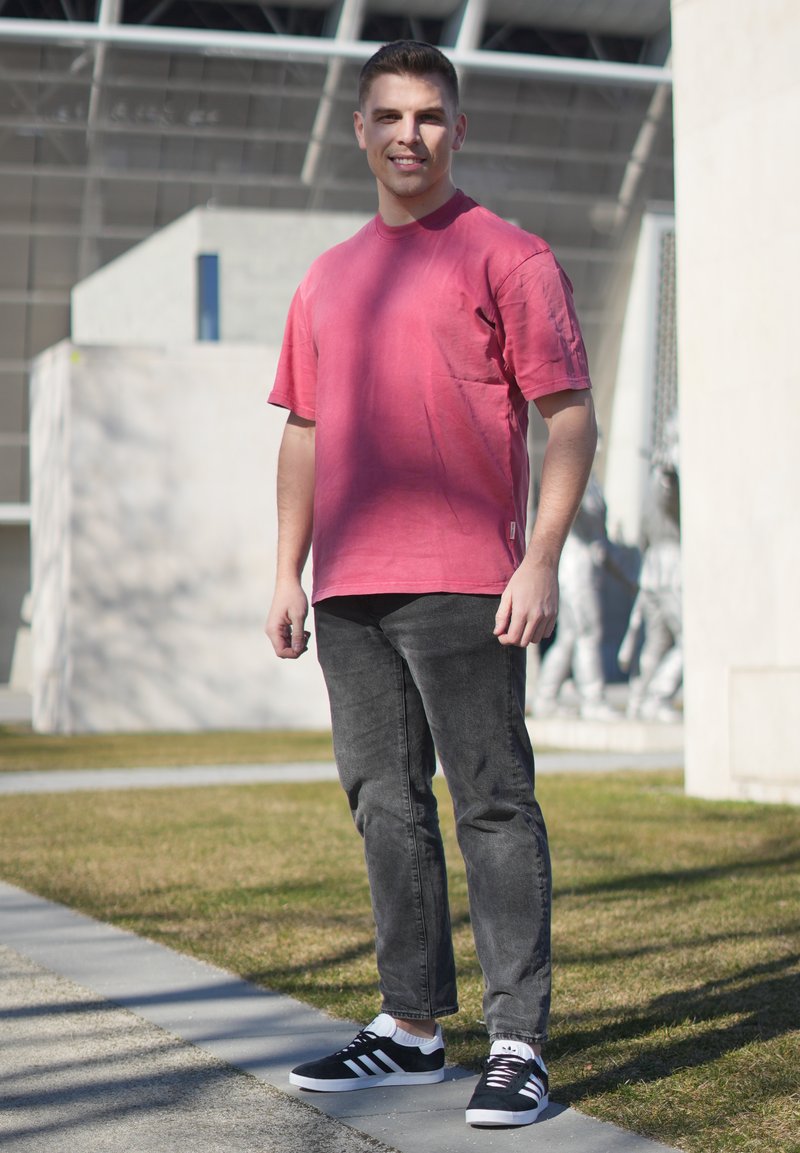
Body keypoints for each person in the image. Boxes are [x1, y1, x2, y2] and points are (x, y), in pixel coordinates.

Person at [265, 40, 597, 1129]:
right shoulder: (327, 278)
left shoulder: (510, 256)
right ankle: (409, 1029)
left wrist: (538, 557)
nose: (410, 134)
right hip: (349, 587)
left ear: (458, 129)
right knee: (383, 804)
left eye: (430, 116)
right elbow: (304, 432)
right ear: (359, 130)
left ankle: (516, 1042)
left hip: (466, 581)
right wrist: (287, 571)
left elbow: (568, 419)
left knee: (491, 802)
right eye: (391, 115)